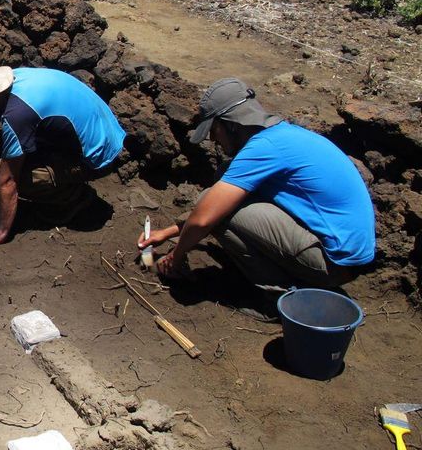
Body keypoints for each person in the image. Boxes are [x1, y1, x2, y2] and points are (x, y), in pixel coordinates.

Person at [138, 77, 375, 316]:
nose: (213, 140)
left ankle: (283, 299)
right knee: (224, 186)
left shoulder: (264, 149)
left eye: (214, 130)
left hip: (333, 264)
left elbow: (204, 218)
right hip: (342, 257)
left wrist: (175, 258)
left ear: (230, 124)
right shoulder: (284, 136)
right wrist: (168, 232)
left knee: (216, 208)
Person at [0, 64, 126, 244]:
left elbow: (8, 182)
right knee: (7, 162)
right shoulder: (10, 82)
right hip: (102, 130)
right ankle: (62, 176)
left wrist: (0, 233)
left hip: (97, 157)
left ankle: (72, 198)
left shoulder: (18, 115)